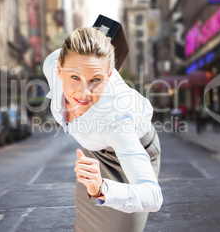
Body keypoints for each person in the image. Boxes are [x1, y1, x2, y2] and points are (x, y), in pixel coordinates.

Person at [43, 27, 162, 231]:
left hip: (129, 147)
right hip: (96, 146)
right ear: (59, 70)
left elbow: (153, 197)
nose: (84, 93)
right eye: (74, 78)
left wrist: (101, 188)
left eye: (95, 80)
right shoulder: (52, 62)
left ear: (109, 75)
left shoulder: (117, 121)